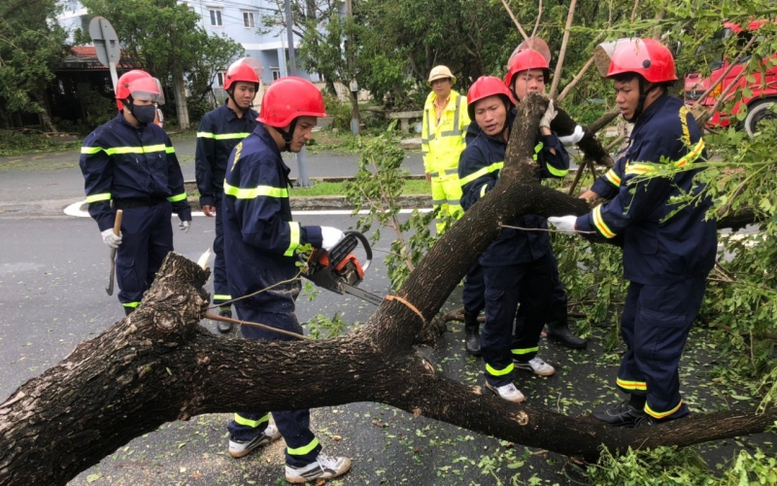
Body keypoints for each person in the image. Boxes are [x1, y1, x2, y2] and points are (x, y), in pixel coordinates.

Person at [548, 38, 716, 426]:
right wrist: (598, 189)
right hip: (662, 249)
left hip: (673, 255)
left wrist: (576, 224)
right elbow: (628, 164)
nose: (619, 99)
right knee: (636, 326)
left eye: (625, 89)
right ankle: (637, 407)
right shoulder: (662, 117)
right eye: (617, 90)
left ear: (651, 86)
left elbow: (627, 209)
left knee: (655, 343)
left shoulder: (660, 131)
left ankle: (667, 423)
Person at [222, 76, 352, 483]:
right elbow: (261, 231)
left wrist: (302, 253)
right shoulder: (261, 158)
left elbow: (261, 226)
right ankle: (303, 461)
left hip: (250, 277)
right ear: (284, 120)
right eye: (306, 126)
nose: (309, 135)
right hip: (261, 286)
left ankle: (246, 432)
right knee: (289, 370)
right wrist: (317, 235)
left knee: (261, 363)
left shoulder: (251, 146)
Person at [458, 75, 569, 403]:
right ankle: (497, 375)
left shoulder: (527, 138)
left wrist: (546, 131)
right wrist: (509, 182)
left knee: (540, 300)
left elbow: (560, 170)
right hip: (502, 245)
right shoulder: (474, 153)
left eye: (493, 108)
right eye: (480, 112)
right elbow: (471, 199)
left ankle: (523, 354)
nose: (488, 117)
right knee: (501, 312)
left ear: (507, 106)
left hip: (536, 237)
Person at [80, 69, 192, 315]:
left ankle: (160, 314)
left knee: (162, 265)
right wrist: (105, 224)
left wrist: (183, 209)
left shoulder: (158, 134)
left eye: (152, 102)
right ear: (125, 101)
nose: (150, 107)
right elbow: (97, 187)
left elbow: (172, 175)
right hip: (130, 214)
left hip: (160, 212)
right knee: (132, 267)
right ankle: (134, 318)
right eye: (144, 102)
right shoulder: (102, 139)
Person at [503, 48, 587, 350]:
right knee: (507, 288)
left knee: (549, 281)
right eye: (527, 78)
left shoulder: (541, 122)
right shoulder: (502, 118)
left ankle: (557, 327)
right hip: (507, 220)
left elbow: (558, 168)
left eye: (540, 78)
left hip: (535, 216)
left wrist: (545, 127)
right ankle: (499, 337)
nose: (535, 85)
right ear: (512, 84)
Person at [196, 57, 260, 333]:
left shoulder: (258, 121)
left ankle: (253, 301)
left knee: (254, 247)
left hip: (254, 197)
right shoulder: (211, 121)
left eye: (252, 89)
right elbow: (203, 161)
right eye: (243, 89)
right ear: (230, 89)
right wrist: (206, 196)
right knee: (225, 248)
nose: (248, 95)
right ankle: (224, 306)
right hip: (225, 199)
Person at [421, 65, 470, 234]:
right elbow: (426, 138)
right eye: (435, 82)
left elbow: (467, 136)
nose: (439, 85)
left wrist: (466, 165)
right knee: (440, 217)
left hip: (456, 173)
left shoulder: (461, 103)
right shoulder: (428, 107)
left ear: (450, 82)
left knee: (459, 216)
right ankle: (443, 253)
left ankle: (462, 252)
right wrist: (428, 167)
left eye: (442, 80)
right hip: (437, 174)